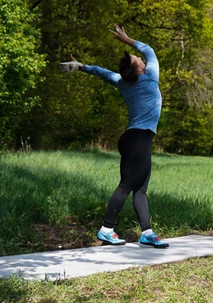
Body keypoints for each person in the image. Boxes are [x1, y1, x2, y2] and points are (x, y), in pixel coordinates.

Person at [59, 24, 169, 249]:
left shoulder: (122, 83)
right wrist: (127, 40)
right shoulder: (150, 78)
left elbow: (101, 71)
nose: (141, 59)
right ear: (140, 70)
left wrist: (81, 66)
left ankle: (147, 232)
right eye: (138, 61)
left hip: (134, 140)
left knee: (140, 189)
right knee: (126, 186)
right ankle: (106, 229)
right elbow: (149, 50)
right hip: (138, 140)